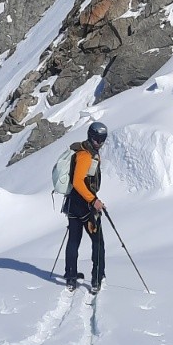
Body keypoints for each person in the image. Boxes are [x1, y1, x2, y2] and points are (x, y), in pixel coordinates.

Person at [63, 121, 107, 294]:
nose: (99, 142)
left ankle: (71, 277)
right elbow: (78, 182)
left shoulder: (86, 152)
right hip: (85, 206)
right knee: (97, 241)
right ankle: (96, 278)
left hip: (73, 204)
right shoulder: (85, 155)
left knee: (74, 240)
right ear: (90, 136)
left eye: (103, 139)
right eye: (97, 138)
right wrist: (93, 201)